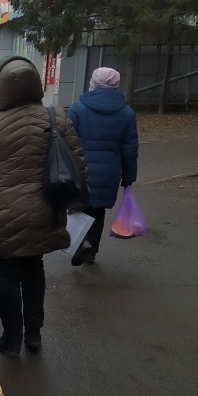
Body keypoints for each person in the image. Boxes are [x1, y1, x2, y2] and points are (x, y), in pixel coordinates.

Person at [0, 56, 87, 358]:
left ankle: (12, 339)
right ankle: (33, 333)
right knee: (35, 268)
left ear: (1, 89)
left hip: (4, 211)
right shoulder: (56, 118)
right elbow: (78, 164)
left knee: (7, 273)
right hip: (46, 209)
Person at [67, 67, 139, 265]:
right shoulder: (126, 113)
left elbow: (67, 141)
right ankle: (92, 250)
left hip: (81, 169)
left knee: (77, 206)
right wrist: (129, 176)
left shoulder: (78, 108)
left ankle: (82, 243)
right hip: (109, 172)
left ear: (94, 83)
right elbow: (130, 149)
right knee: (98, 210)